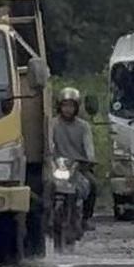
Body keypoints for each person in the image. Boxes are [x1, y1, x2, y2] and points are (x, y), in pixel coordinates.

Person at [50, 87, 98, 230]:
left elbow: (89, 149)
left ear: (76, 107)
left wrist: (90, 160)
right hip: (56, 166)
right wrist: (50, 158)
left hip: (78, 167)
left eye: (71, 106)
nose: (67, 109)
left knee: (93, 184)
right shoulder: (52, 124)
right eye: (65, 105)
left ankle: (86, 219)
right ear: (59, 106)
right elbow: (49, 145)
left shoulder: (84, 127)